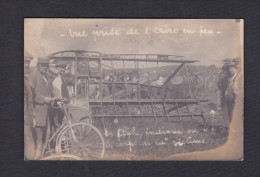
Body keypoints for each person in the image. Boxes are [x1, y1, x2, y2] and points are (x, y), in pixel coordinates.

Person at [29, 57, 56, 159]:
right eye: (42, 65)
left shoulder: (46, 76)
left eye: (46, 65)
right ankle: (37, 157)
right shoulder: (33, 75)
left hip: (46, 110)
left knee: (45, 133)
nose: (45, 67)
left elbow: (50, 91)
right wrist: (44, 99)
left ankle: (42, 155)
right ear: (38, 65)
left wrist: (55, 98)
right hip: (38, 109)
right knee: (38, 135)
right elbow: (31, 94)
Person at [46, 61, 70, 138]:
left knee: (57, 123)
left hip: (60, 104)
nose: (62, 70)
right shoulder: (53, 79)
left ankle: (60, 141)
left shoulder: (61, 79)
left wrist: (66, 99)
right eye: (60, 68)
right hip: (55, 105)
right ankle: (58, 141)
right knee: (55, 124)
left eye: (64, 69)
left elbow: (64, 92)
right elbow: (55, 92)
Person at [24, 51, 35, 160]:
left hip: (27, 117)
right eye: (25, 62)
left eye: (28, 62)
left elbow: (30, 99)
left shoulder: (25, 79)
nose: (27, 65)